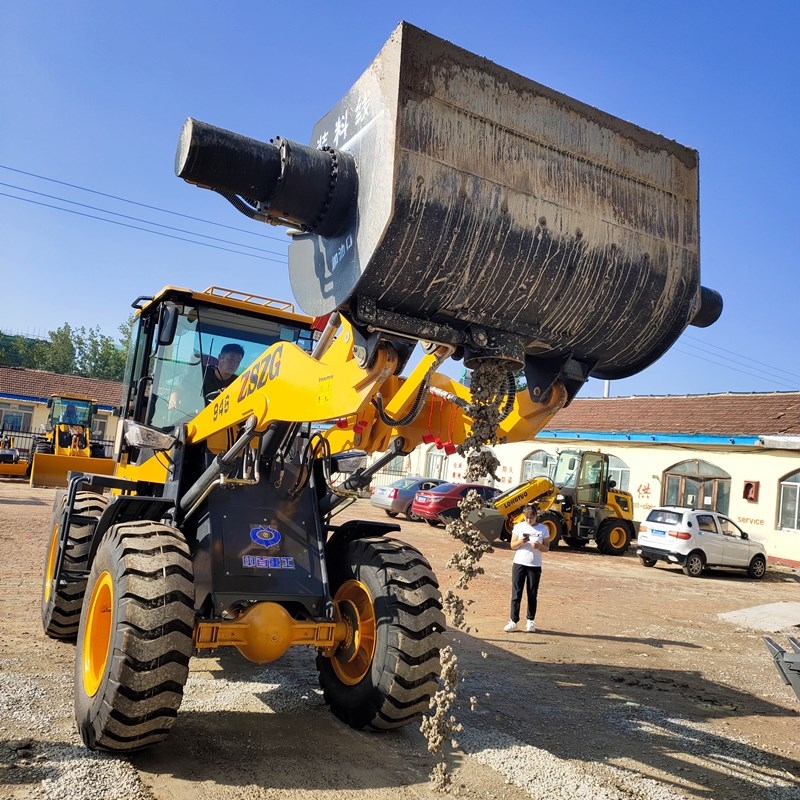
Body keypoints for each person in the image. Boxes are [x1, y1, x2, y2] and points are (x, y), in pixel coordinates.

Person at [504, 503, 549, 633]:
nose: (529, 520)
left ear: (536, 516)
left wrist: (539, 546)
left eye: (532, 517)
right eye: (527, 517)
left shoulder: (543, 529)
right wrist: (521, 541)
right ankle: (513, 621)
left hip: (535, 564)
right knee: (516, 593)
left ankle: (530, 621)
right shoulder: (518, 527)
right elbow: (512, 545)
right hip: (519, 563)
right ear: (524, 516)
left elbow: (547, 547)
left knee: (532, 593)